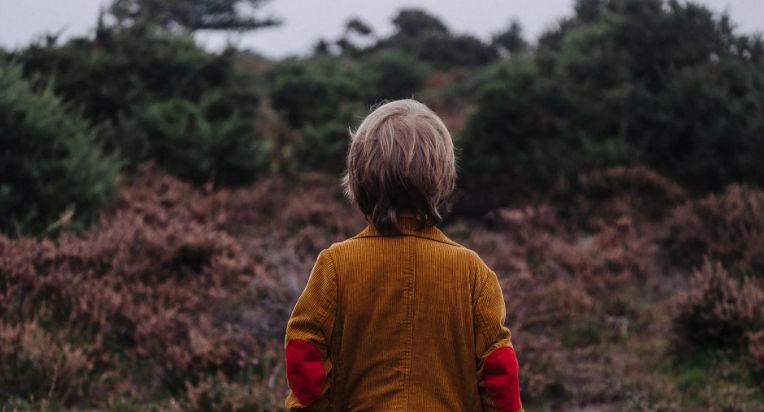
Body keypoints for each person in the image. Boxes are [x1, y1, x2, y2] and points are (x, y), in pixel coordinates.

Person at [284, 99, 523, 411]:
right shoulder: (472, 272)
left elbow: (304, 354)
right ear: (443, 179)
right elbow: (499, 373)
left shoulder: (336, 265)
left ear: (358, 179)